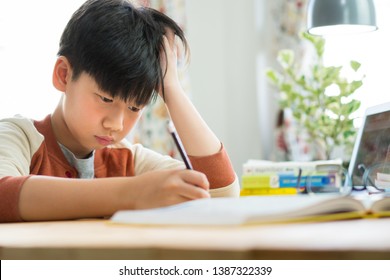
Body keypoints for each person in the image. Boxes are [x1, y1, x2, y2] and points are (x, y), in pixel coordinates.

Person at [0, 0, 239, 223]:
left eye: (134, 108)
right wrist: (132, 193)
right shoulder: (20, 138)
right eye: (105, 98)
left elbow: (220, 193)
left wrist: (172, 90)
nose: (116, 124)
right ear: (64, 75)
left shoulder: (127, 158)